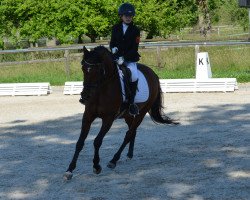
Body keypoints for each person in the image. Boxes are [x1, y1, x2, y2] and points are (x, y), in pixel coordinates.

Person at [110, 2, 141, 116]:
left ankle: (131, 103)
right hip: (116, 57)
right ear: (121, 16)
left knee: (134, 74)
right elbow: (112, 43)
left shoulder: (135, 30)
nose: (128, 18)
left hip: (129, 59)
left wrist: (124, 58)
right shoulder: (115, 28)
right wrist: (113, 50)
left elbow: (134, 48)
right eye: (126, 15)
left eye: (130, 16)